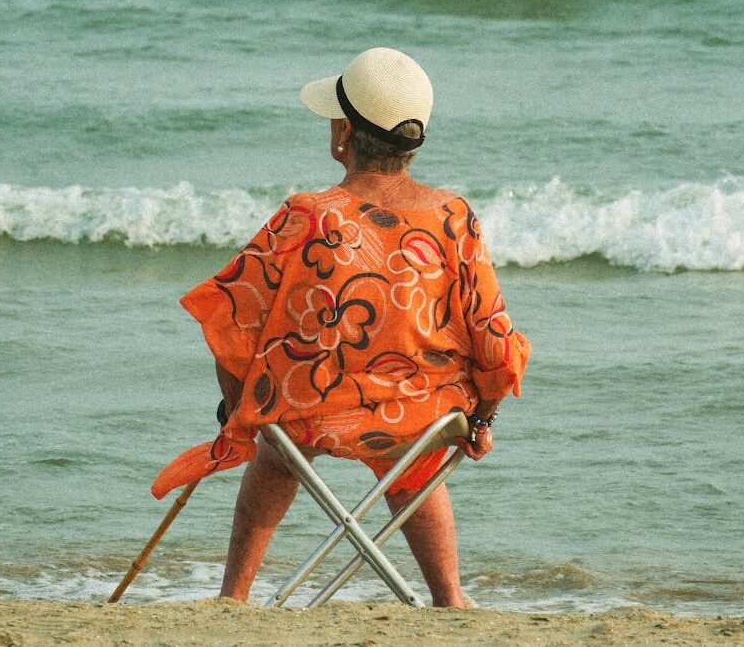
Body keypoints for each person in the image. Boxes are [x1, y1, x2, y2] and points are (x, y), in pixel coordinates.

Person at [152, 47, 530, 607]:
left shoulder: (307, 215)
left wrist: (236, 409)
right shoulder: (454, 217)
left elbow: (232, 321)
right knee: (413, 455)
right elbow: (495, 343)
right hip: (421, 416)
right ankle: (450, 598)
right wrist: (482, 415)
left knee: (275, 450)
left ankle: (234, 597)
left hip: (308, 415)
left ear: (343, 132)